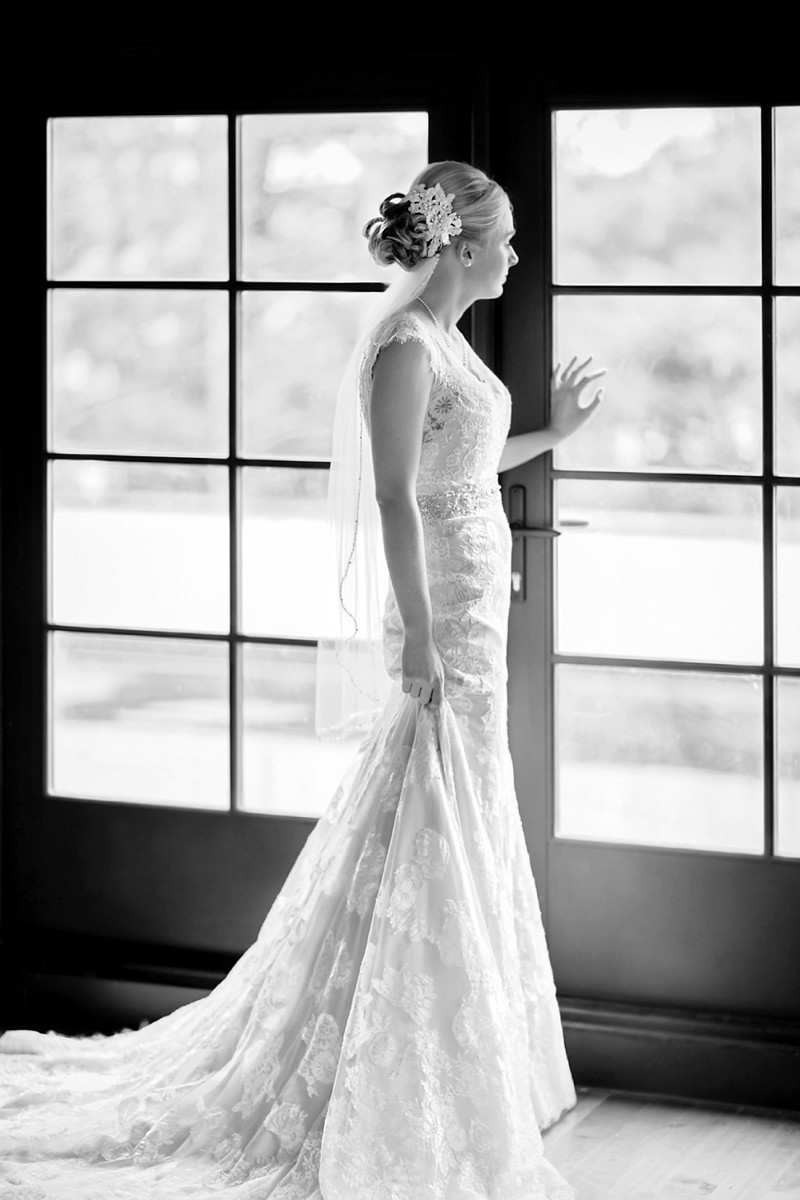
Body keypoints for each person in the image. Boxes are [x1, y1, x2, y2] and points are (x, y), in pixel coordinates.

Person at [0, 162, 603, 1200]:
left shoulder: (448, 341)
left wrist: (551, 435)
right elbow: (393, 498)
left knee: (458, 810)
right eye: (504, 239)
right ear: (459, 246)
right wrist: (415, 630)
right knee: (424, 808)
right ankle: (392, 1057)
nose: (515, 256)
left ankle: (455, 1051)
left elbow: (459, 468)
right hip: (438, 619)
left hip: (469, 611)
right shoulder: (401, 344)